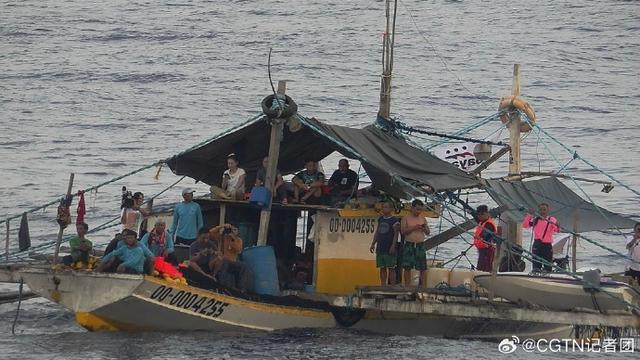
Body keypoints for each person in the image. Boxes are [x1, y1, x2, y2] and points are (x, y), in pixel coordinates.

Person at [209, 223, 253, 292]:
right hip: (221, 261)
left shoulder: (238, 240)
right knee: (224, 261)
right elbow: (211, 232)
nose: (232, 231)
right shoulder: (222, 237)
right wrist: (222, 226)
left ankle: (242, 289)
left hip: (233, 262)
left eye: (235, 230)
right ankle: (223, 287)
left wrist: (233, 238)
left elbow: (239, 250)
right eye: (232, 229)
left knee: (244, 266)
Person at [400, 199, 430, 286]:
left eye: (420, 210)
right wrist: (414, 228)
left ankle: (423, 286)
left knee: (422, 267)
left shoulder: (422, 218)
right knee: (407, 267)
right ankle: (407, 286)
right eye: (417, 209)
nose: (419, 212)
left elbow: (428, 232)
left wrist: (423, 228)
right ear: (412, 208)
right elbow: (403, 231)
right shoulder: (405, 218)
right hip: (409, 244)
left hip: (420, 244)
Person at [522, 203, 560, 272]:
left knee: (548, 266)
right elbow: (525, 225)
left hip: (547, 245)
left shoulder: (551, 219)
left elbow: (557, 230)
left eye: (544, 210)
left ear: (548, 211)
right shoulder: (535, 220)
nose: (542, 212)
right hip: (537, 244)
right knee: (536, 266)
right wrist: (529, 215)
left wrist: (557, 225)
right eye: (540, 210)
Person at [369, 202, 399, 285]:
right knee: (382, 267)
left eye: (386, 207)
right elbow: (377, 232)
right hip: (380, 246)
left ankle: (392, 286)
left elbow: (396, 235)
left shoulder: (394, 221)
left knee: (391, 268)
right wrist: (373, 243)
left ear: (391, 209)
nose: (384, 209)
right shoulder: (380, 219)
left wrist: (393, 246)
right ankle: (383, 284)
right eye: (383, 207)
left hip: (389, 246)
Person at [473, 205, 497, 272]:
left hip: (487, 250)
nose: (479, 216)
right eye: (478, 215)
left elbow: (485, 236)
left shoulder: (489, 224)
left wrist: (479, 237)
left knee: (485, 269)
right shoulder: (482, 222)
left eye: (481, 214)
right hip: (482, 250)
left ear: (486, 213)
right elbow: (475, 217)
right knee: (480, 268)